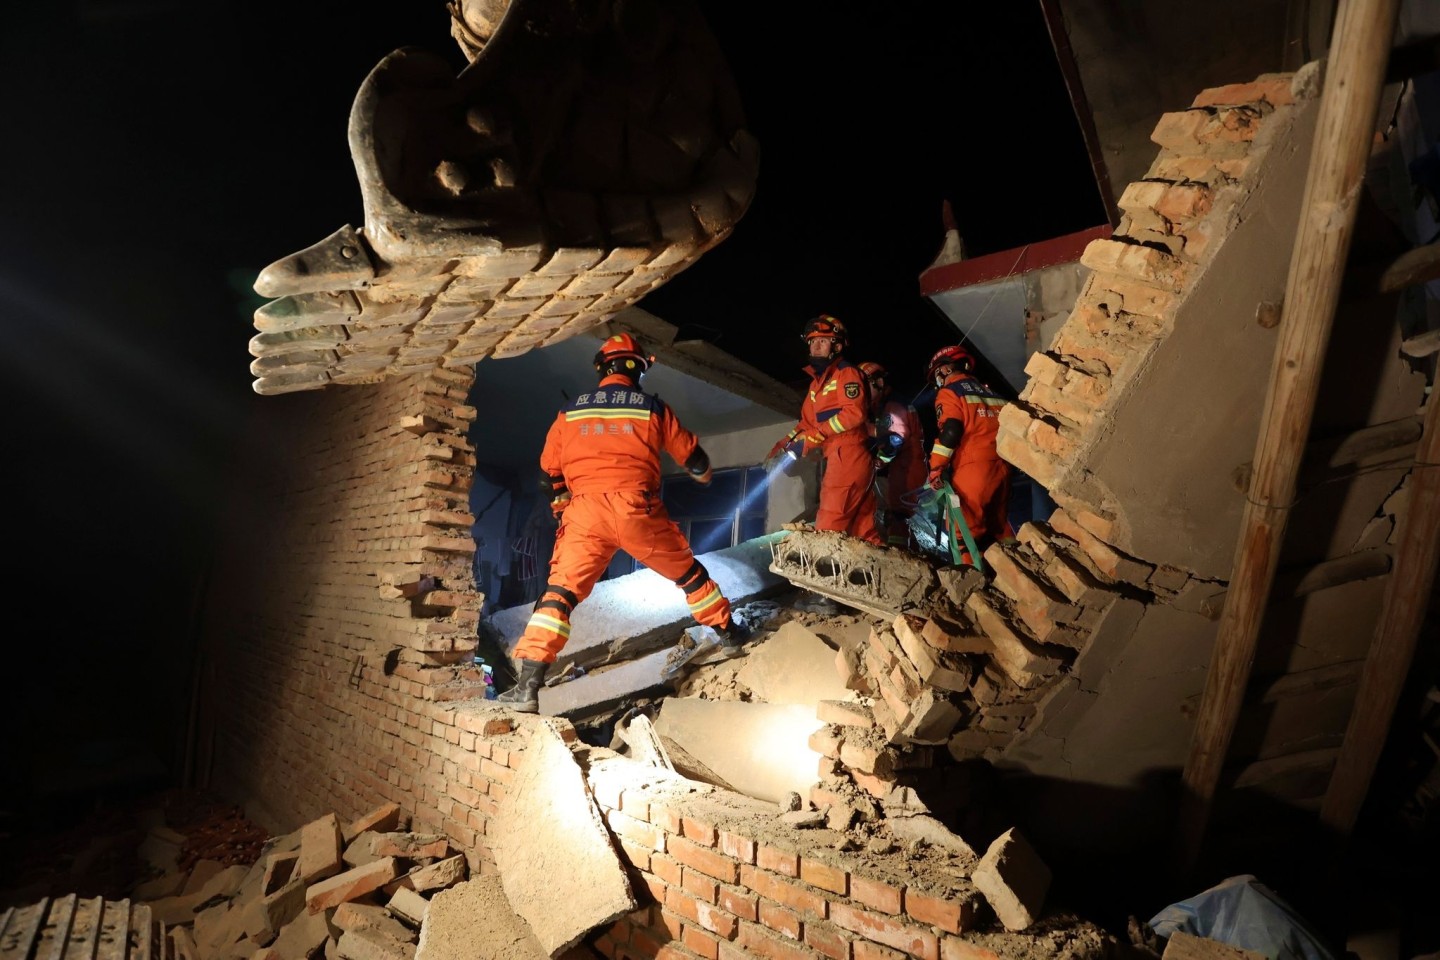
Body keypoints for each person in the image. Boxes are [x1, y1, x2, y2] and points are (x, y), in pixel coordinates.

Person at [496, 333, 748, 712]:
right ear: (638, 370)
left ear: (603, 367)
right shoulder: (652, 408)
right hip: (637, 509)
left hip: (584, 515)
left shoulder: (571, 411)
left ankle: (528, 688)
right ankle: (729, 634)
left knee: (559, 595)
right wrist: (704, 474)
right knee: (690, 575)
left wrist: (564, 507)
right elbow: (693, 459)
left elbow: (548, 474)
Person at [767, 315, 883, 547]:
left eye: (823, 340)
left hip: (848, 454)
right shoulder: (816, 385)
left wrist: (813, 437)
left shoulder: (847, 373)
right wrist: (784, 444)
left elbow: (854, 413)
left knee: (829, 523)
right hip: (841, 456)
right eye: (812, 341)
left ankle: (823, 575)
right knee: (862, 529)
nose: (815, 346)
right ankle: (874, 573)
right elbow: (806, 423)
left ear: (837, 346)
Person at [924, 344, 1015, 566]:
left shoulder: (950, 392)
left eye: (936, 376)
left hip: (973, 467)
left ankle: (974, 584)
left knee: (963, 528)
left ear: (944, 370)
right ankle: (1016, 574)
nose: (938, 382)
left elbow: (951, 431)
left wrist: (936, 467)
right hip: (1003, 468)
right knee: (999, 528)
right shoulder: (993, 394)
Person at [858, 361, 926, 548]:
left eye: (865, 387)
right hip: (907, 464)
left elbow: (895, 438)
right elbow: (884, 432)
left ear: (878, 382)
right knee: (898, 514)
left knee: (897, 515)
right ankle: (906, 551)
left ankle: (900, 554)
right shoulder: (888, 404)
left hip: (907, 465)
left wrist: (880, 461)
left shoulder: (893, 405)